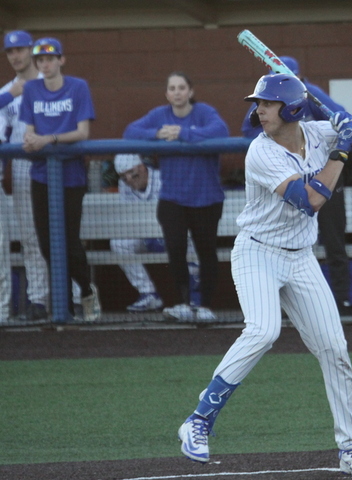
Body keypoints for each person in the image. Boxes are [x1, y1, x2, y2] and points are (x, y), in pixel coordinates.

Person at [177, 74, 352, 475]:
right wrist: (340, 151)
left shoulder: (318, 131)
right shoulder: (260, 152)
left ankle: (351, 447)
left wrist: (348, 125)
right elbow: (310, 201)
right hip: (258, 253)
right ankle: (198, 421)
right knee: (263, 331)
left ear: (291, 109)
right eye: (259, 103)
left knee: (335, 349)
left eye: (267, 104)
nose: (259, 110)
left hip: (301, 257)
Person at [242, 56, 352, 315]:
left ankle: (342, 299)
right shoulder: (265, 112)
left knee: (335, 243)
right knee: (300, 238)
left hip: (324, 173)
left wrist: (344, 123)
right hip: (288, 179)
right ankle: (288, 305)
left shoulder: (310, 94)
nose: (263, 107)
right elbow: (250, 129)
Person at [123, 71, 229, 323]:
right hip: (172, 199)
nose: (177, 92)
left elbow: (221, 131)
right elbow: (130, 132)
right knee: (176, 250)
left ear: (190, 92)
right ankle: (182, 303)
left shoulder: (204, 111)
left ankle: (204, 306)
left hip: (207, 198)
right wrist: (157, 134)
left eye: (182, 87)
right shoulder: (159, 115)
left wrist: (182, 133)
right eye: (172, 88)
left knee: (206, 252)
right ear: (167, 93)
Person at [19, 37, 100, 321]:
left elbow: (83, 133)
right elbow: (28, 130)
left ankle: (87, 292)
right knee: (46, 244)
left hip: (71, 176)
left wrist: (48, 139)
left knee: (70, 242)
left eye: (51, 58)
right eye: (40, 60)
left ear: (61, 60)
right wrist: (31, 141)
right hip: (41, 175)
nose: (46, 64)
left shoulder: (77, 87)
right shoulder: (31, 89)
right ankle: (63, 307)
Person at [0, 30, 49, 321]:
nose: (16, 55)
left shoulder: (51, 83)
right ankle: (38, 300)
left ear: (31, 50)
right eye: (10, 51)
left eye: (20, 49)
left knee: (59, 237)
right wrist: (10, 95)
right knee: (31, 238)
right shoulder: (7, 92)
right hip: (20, 167)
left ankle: (70, 298)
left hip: (54, 168)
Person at [111, 154, 166, 312]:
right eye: (123, 177)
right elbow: (128, 217)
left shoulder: (162, 178)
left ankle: (193, 300)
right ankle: (148, 293)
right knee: (119, 244)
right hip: (145, 235)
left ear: (142, 168)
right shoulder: (124, 186)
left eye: (132, 174)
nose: (128, 179)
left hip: (172, 235)